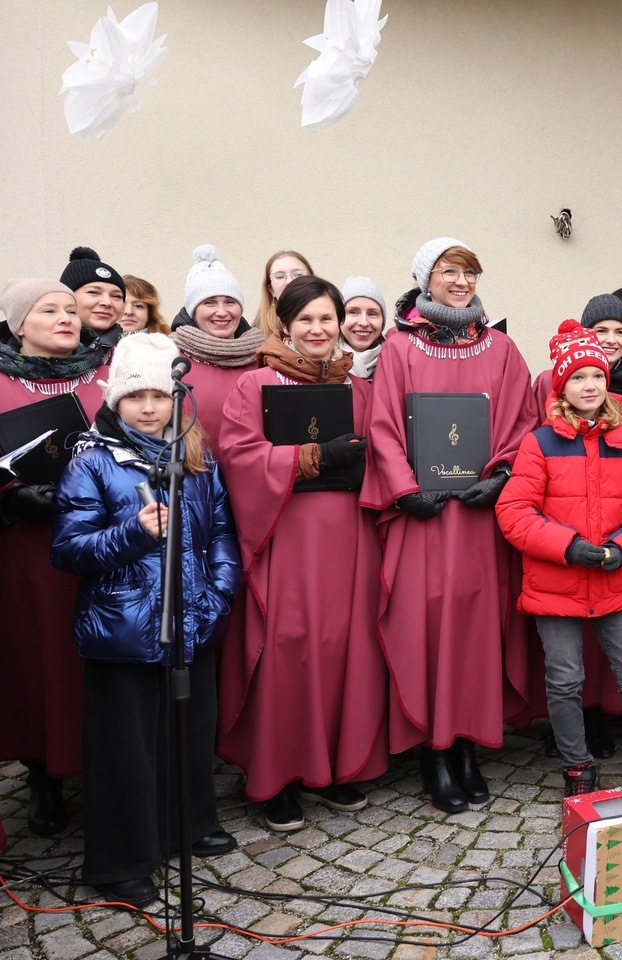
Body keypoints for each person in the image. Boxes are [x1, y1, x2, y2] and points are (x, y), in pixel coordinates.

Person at [52, 332, 241, 907]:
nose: (151, 408)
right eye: (137, 397)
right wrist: (133, 533)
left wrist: (219, 595)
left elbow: (222, 533)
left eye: (161, 395)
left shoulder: (196, 458)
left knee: (189, 729)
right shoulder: (93, 462)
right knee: (126, 748)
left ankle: (187, 824)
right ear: (116, 401)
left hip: (192, 619)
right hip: (125, 628)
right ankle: (122, 861)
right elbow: (69, 549)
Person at [361, 238, 536, 813]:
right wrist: (405, 490)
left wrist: (503, 474)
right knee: (428, 626)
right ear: (425, 279)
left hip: (479, 518)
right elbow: (383, 425)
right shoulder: (399, 347)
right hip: (425, 516)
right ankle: (433, 751)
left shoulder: (502, 349)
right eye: (448, 271)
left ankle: (469, 744)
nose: (461, 281)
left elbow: (522, 420)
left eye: (469, 272)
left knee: (475, 628)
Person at [215, 276, 386, 831]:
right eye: (305, 320)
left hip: (350, 537)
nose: (318, 329)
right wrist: (313, 455)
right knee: (286, 646)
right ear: (285, 325)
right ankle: (278, 775)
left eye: (326, 319)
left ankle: (333, 767)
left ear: (341, 325)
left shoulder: (359, 388)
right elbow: (238, 456)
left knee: (342, 646)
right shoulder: (256, 383)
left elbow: (384, 452)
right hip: (285, 535)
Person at [496, 320, 622, 794]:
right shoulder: (540, 442)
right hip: (556, 583)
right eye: (577, 377)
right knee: (565, 679)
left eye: (595, 376)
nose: (589, 385)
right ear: (561, 387)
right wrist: (567, 546)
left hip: (616, 579)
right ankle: (577, 766)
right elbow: (514, 511)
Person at [0, 280, 108, 838]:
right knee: (39, 661)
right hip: (29, 550)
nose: (66, 317)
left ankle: (106, 766)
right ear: (17, 324)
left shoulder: (106, 374)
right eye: (48, 309)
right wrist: (9, 498)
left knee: (94, 658)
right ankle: (43, 775)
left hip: (102, 543)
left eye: (70, 309)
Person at [169, 246, 267, 446]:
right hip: (191, 465)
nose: (222, 312)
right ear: (193, 311)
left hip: (250, 464)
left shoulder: (263, 357)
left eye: (230, 302)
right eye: (210, 303)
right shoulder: (169, 357)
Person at [60, 246, 127, 356]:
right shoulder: (40, 349)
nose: (107, 302)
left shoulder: (135, 353)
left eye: (116, 296)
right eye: (94, 292)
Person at [253, 250, 313, 340]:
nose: (289, 281)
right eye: (280, 276)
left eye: (298, 275)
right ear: (271, 289)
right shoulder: (255, 338)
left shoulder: (331, 325)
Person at [340, 276, 388, 380]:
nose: (364, 323)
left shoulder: (394, 360)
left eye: (372, 314)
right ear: (339, 318)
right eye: (353, 312)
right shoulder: (321, 362)